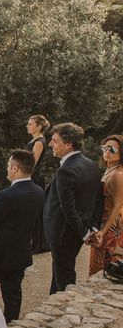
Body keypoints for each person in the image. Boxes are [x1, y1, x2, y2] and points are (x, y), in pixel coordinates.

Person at [0, 150, 45, 323]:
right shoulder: (39, 192)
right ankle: (11, 325)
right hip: (20, 252)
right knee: (13, 293)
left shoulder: (7, 195)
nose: (7, 169)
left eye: (8, 166)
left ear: (15, 168)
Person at [43, 122, 103, 294]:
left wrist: (84, 233)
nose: (50, 144)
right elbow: (98, 201)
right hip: (77, 231)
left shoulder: (66, 171)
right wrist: (92, 227)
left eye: (55, 140)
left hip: (63, 233)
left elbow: (68, 208)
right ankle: (51, 305)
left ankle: (65, 311)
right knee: (59, 271)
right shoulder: (91, 164)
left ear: (68, 144)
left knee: (65, 278)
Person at [87, 135, 123, 276]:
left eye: (112, 149)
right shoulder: (109, 170)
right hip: (103, 223)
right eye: (105, 148)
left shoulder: (118, 175)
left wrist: (103, 231)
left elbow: (118, 205)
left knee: (107, 268)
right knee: (98, 266)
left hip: (112, 226)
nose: (107, 151)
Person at [26, 114, 51, 253]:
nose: (28, 126)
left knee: (35, 210)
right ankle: (34, 242)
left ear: (39, 126)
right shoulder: (34, 140)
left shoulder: (39, 142)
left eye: (31, 124)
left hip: (34, 178)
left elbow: (32, 164)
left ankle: (38, 244)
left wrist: (23, 178)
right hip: (31, 177)